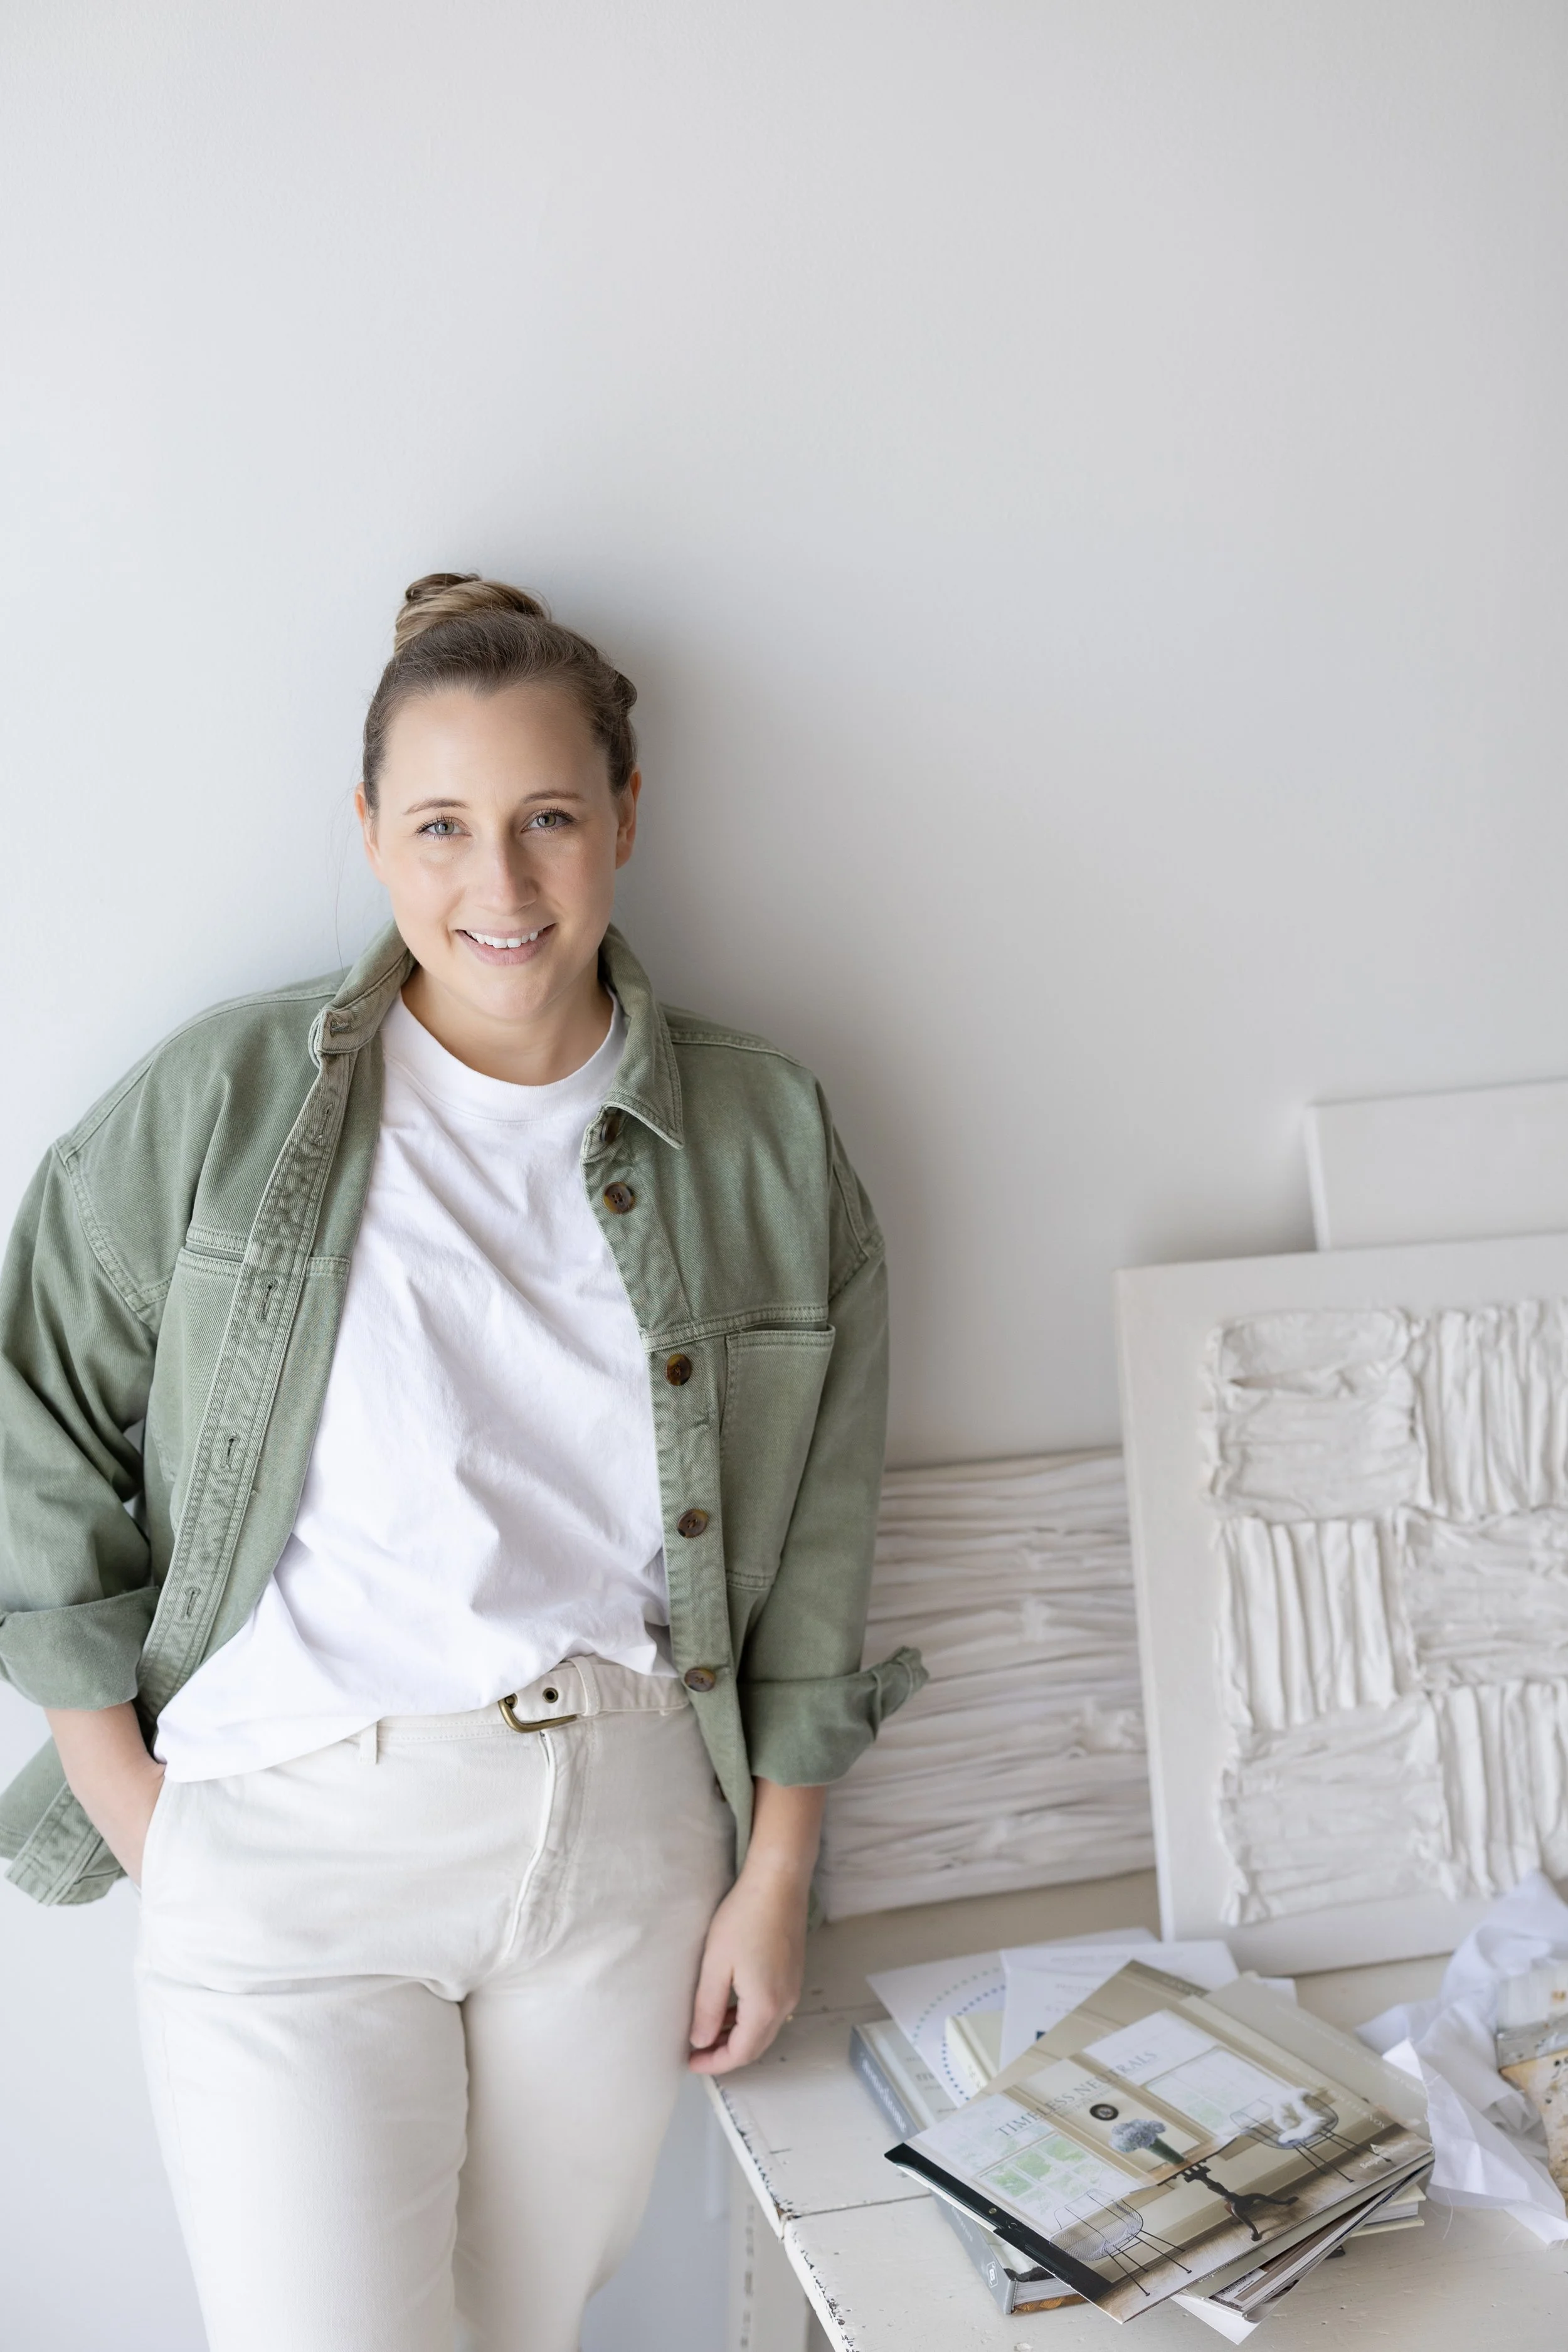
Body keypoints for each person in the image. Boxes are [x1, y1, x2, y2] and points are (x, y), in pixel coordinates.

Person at [0, 574, 924, 2352]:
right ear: (367, 833)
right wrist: (130, 1797)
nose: (495, 886)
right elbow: (29, 1397)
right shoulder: (227, 1101)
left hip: (626, 1841)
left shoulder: (768, 1133)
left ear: (625, 819)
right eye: (440, 825)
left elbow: (816, 1534)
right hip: (287, 1841)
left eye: (547, 820)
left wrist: (775, 1871)